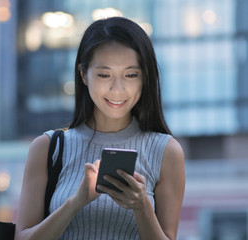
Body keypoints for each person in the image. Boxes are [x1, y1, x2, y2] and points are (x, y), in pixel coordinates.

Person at [15, 16, 185, 240]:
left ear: (145, 78)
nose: (117, 89)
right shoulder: (48, 148)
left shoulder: (166, 151)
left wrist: (142, 206)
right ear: (83, 74)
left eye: (131, 75)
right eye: (104, 74)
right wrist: (76, 202)